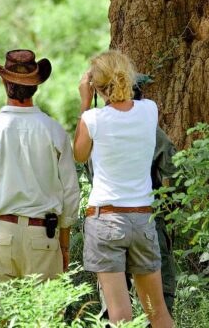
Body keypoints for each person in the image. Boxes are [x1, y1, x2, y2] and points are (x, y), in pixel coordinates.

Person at [73, 50, 174, 327]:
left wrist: (84, 103)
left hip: (106, 220)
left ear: (96, 86)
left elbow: (79, 155)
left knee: (120, 317)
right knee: (157, 312)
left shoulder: (92, 118)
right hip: (142, 219)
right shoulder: (149, 110)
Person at [0, 49, 80, 284]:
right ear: (36, 86)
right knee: (45, 318)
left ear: (3, 82)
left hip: (0, 232)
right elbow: (70, 192)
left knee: (0, 317)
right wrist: (64, 243)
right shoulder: (54, 131)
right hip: (43, 235)